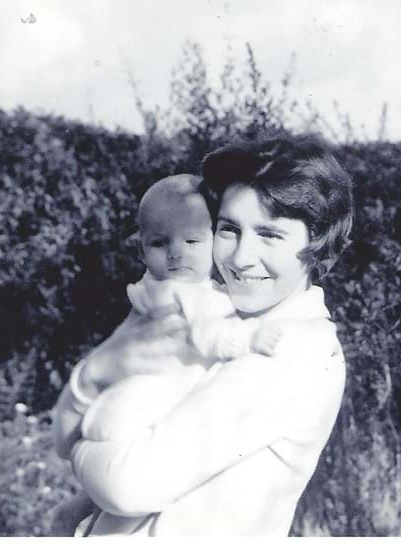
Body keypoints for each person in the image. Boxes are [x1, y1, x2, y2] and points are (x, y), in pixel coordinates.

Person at [51, 134, 354, 536]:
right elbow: (78, 421)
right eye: (229, 230)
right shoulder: (217, 316)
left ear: (318, 246)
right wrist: (94, 376)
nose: (242, 258)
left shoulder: (293, 349)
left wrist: (79, 450)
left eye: (270, 235)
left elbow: (128, 485)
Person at [51, 173, 287, 533]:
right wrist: (249, 340)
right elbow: (211, 337)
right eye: (160, 244)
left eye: (191, 241)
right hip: (139, 409)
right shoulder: (187, 294)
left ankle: (79, 512)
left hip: (115, 411)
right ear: (142, 249)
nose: (177, 253)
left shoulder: (152, 288)